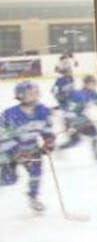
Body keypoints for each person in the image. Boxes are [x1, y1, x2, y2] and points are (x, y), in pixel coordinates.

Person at [1, 81, 56, 212]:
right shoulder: (9, 114)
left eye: (36, 92)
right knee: (9, 180)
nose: (35, 95)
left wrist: (49, 141)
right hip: (8, 151)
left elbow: (46, 129)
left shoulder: (43, 111)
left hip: (31, 149)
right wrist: (16, 152)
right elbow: (3, 136)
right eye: (31, 93)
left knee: (36, 171)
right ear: (21, 96)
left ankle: (33, 197)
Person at [59, 74, 97, 159]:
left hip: (81, 119)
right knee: (77, 140)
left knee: (87, 136)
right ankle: (59, 148)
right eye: (91, 84)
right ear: (85, 84)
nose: (93, 86)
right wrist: (71, 124)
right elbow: (69, 110)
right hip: (72, 120)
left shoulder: (93, 94)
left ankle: (96, 155)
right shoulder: (78, 94)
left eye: (94, 84)